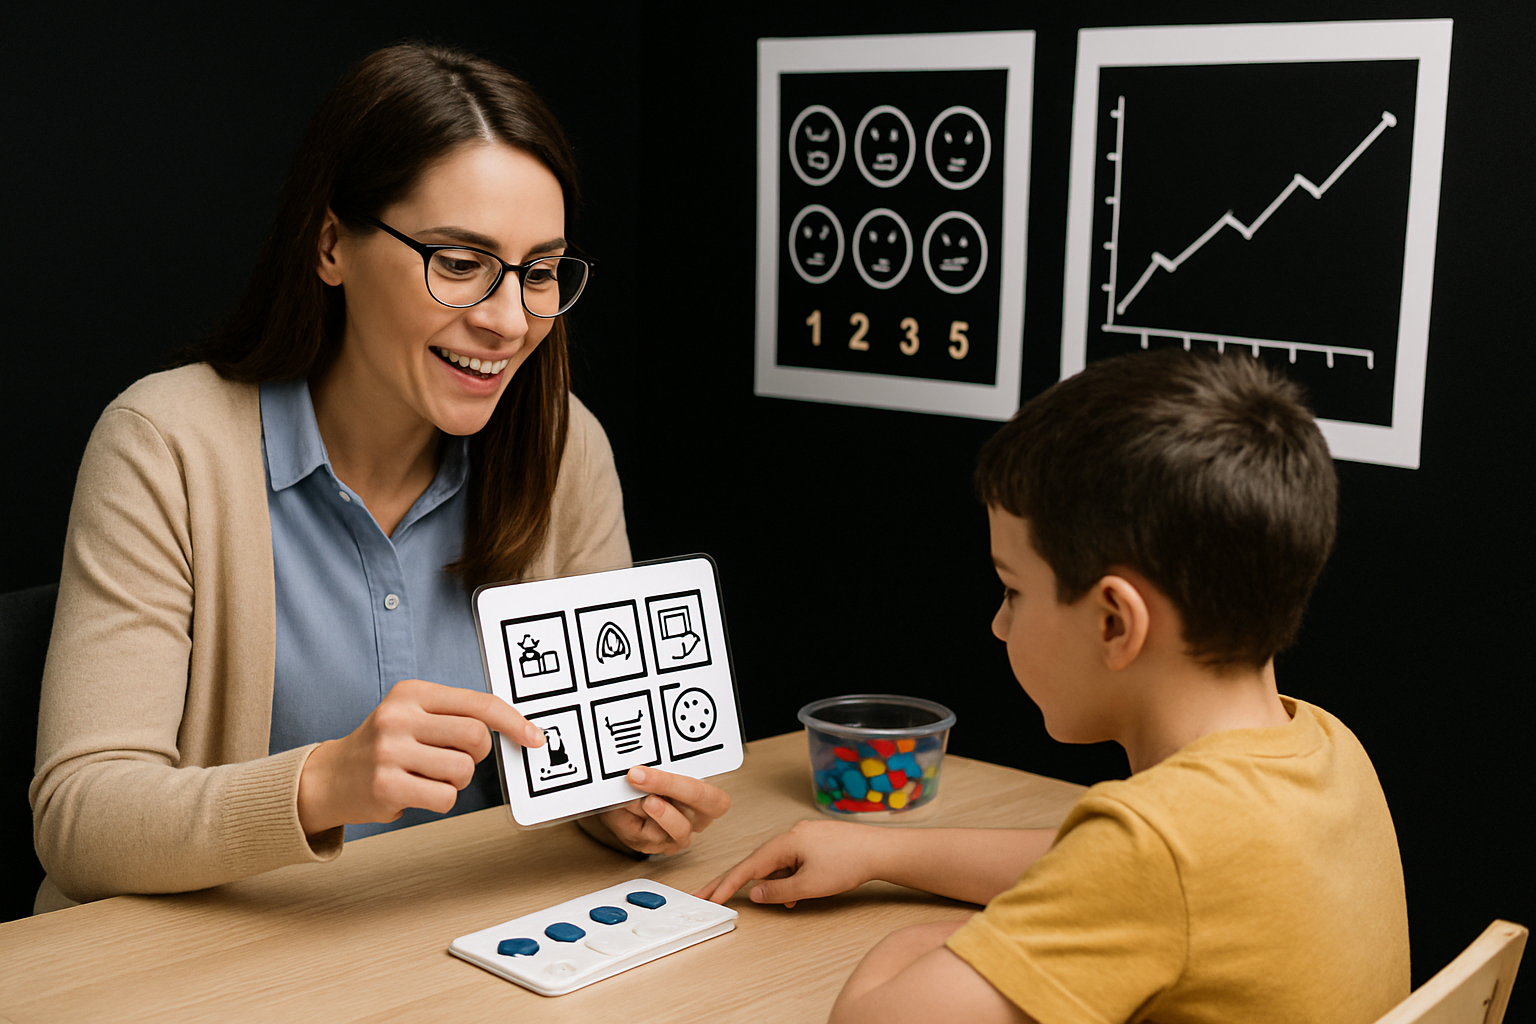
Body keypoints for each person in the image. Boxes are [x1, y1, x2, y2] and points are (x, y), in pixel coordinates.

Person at [31, 42, 728, 913]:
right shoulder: (165, 443)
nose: (509, 321)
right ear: (331, 245)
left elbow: (584, 769)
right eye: (460, 262)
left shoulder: (565, 447)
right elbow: (80, 818)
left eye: (539, 272)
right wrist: (322, 783)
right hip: (212, 973)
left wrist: (616, 804)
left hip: (455, 953)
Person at [700, 350, 1409, 1024]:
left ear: (1113, 622)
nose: (998, 624)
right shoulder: (1325, 749)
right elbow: (1093, 868)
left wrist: (953, 941)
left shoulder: (1155, 850)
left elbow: (870, 1018)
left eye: (1012, 590)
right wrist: (880, 853)